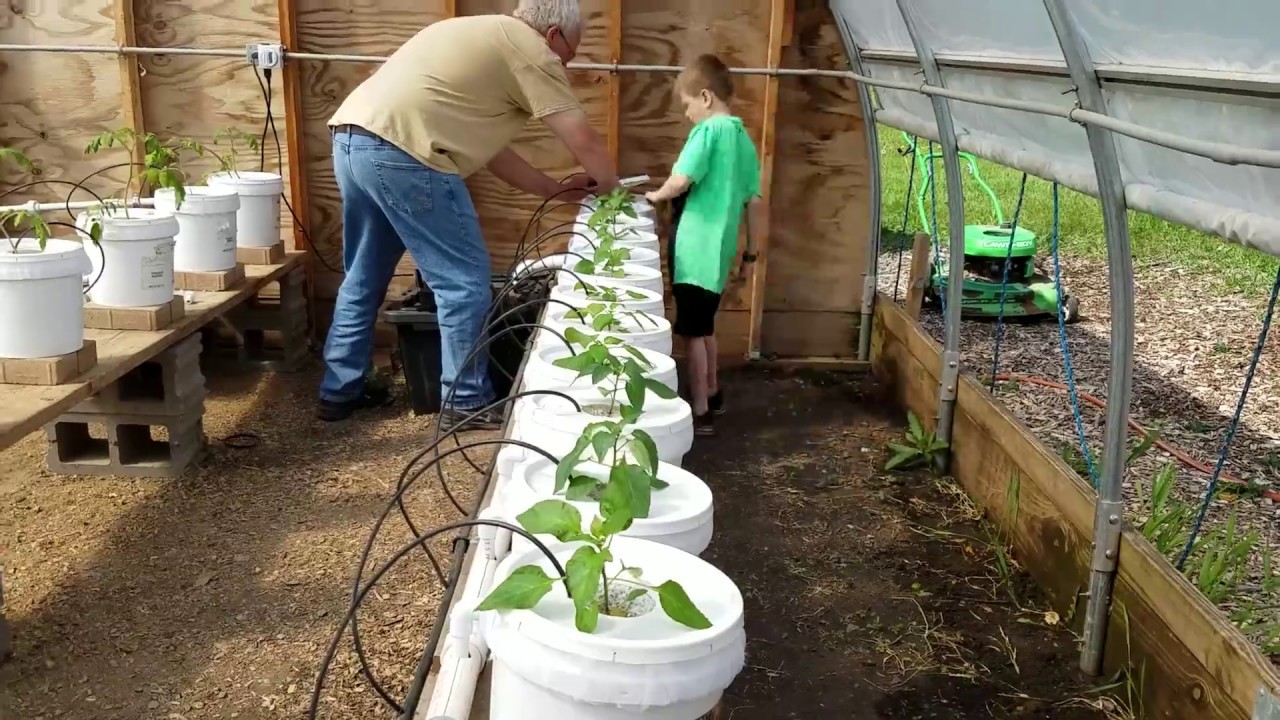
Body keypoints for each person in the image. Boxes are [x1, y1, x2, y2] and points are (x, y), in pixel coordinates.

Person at [319, 0, 619, 426]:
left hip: (354, 141)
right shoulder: (532, 49)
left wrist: (553, 190)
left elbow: (494, 153)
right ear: (554, 34)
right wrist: (612, 191)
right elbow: (583, 138)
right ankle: (465, 400)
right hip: (407, 153)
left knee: (364, 274)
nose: (564, 65)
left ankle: (339, 390)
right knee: (464, 282)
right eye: (569, 53)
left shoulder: (477, 34)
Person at [646, 54, 762, 437]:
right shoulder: (744, 140)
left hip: (694, 249)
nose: (686, 115)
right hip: (719, 252)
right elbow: (754, 202)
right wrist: (751, 253)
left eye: (687, 105)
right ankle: (713, 392)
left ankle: (698, 410)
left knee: (692, 333)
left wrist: (654, 196)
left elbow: (681, 180)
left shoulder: (708, 133)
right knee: (706, 326)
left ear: (706, 97)